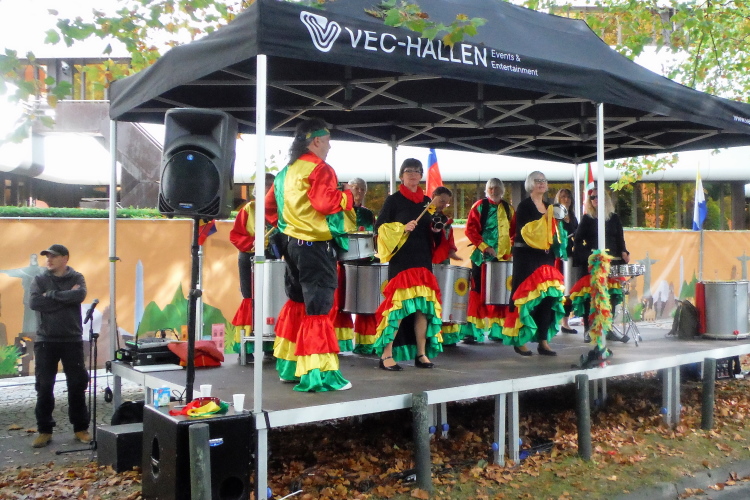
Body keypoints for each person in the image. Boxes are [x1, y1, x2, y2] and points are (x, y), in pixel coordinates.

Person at [265, 118, 353, 392]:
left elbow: (269, 208)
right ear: (316, 140)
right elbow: (325, 203)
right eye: (327, 141)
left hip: (291, 246)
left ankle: (291, 367)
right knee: (318, 310)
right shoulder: (320, 168)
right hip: (315, 247)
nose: (329, 146)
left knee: (298, 304)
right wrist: (347, 197)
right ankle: (318, 375)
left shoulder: (286, 172)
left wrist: (289, 227)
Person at [373, 158, 443, 370]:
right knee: (398, 308)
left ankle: (421, 353)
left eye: (417, 171)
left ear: (421, 175)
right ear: (401, 175)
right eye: (409, 171)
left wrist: (436, 230)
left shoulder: (427, 202)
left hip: (422, 260)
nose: (413, 174)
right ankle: (387, 354)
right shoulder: (393, 200)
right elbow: (379, 229)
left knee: (422, 308)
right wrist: (401, 228)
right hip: (402, 261)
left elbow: (432, 233)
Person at [28, 244, 90, 448]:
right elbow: (35, 303)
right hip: (46, 340)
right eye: (47, 256)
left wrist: (51, 295)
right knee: (44, 386)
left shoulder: (77, 277)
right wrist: (65, 297)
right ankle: (44, 430)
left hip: (72, 340)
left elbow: (79, 296)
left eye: (53, 256)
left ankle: (80, 428)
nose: (49, 259)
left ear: (65, 258)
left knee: (77, 384)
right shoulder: (39, 279)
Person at [501, 172, 566, 356]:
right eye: (538, 181)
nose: (541, 183)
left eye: (544, 180)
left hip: (545, 257)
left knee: (547, 297)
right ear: (530, 184)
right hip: (526, 256)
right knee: (525, 296)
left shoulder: (550, 206)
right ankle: (519, 339)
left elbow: (555, 233)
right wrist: (547, 221)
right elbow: (527, 232)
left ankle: (543, 340)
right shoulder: (524, 206)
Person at [571, 188, 630, 343]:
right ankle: (588, 330)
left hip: (612, 262)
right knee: (590, 297)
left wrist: (624, 252)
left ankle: (608, 329)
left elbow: (620, 239)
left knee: (610, 296)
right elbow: (578, 241)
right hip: (594, 264)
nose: (595, 199)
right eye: (592, 197)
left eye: (598, 196)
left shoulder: (614, 218)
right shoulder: (587, 218)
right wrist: (589, 255)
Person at [229, 173, 277, 361]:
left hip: (273, 259)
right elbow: (235, 236)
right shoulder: (250, 209)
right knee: (251, 298)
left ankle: (271, 347)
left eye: (272, 188)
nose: (270, 191)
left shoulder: (281, 211)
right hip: (250, 257)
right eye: (267, 188)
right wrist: (252, 243)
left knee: (272, 301)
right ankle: (248, 348)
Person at [462, 178, 515, 343]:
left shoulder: (509, 209)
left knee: (500, 294)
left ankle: (497, 331)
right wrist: (485, 247)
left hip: (502, 259)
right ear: (487, 190)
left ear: (502, 190)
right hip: (481, 258)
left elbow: (514, 232)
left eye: (496, 188)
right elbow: (470, 230)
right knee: (477, 292)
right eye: (491, 188)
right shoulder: (479, 206)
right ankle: (472, 332)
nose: (493, 191)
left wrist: (511, 250)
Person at [347, 178, 380, 356]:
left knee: (367, 304)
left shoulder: (369, 214)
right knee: (339, 304)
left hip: (366, 261)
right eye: (356, 188)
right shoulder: (340, 211)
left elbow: (374, 237)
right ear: (349, 189)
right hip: (343, 263)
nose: (359, 192)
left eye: (362, 189)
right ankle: (337, 343)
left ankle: (366, 342)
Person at [430, 186, 464, 346]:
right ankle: (429, 335)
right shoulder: (423, 215)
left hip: (443, 263)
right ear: (433, 196)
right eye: (442, 201)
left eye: (446, 203)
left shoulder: (445, 220)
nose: (444, 205)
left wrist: (452, 252)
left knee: (445, 297)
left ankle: (446, 336)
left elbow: (450, 241)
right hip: (428, 262)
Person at [553, 188, 579, 334]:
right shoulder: (555, 215)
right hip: (559, 257)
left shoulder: (573, 216)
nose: (566, 199)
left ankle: (565, 322)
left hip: (571, 256)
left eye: (568, 197)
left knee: (570, 289)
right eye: (563, 196)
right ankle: (552, 321)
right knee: (558, 289)